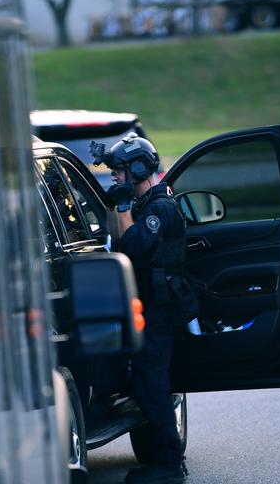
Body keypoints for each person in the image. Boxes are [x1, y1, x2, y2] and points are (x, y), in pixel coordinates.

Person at [91, 134, 188, 484]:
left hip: (159, 312)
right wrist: (117, 206)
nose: (115, 177)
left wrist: (122, 207)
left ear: (136, 168)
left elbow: (132, 245)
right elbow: (118, 242)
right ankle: (165, 462)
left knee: (153, 386)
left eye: (119, 171)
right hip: (146, 310)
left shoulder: (159, 208)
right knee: (146, 385)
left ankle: (170, 466)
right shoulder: (145, 204)